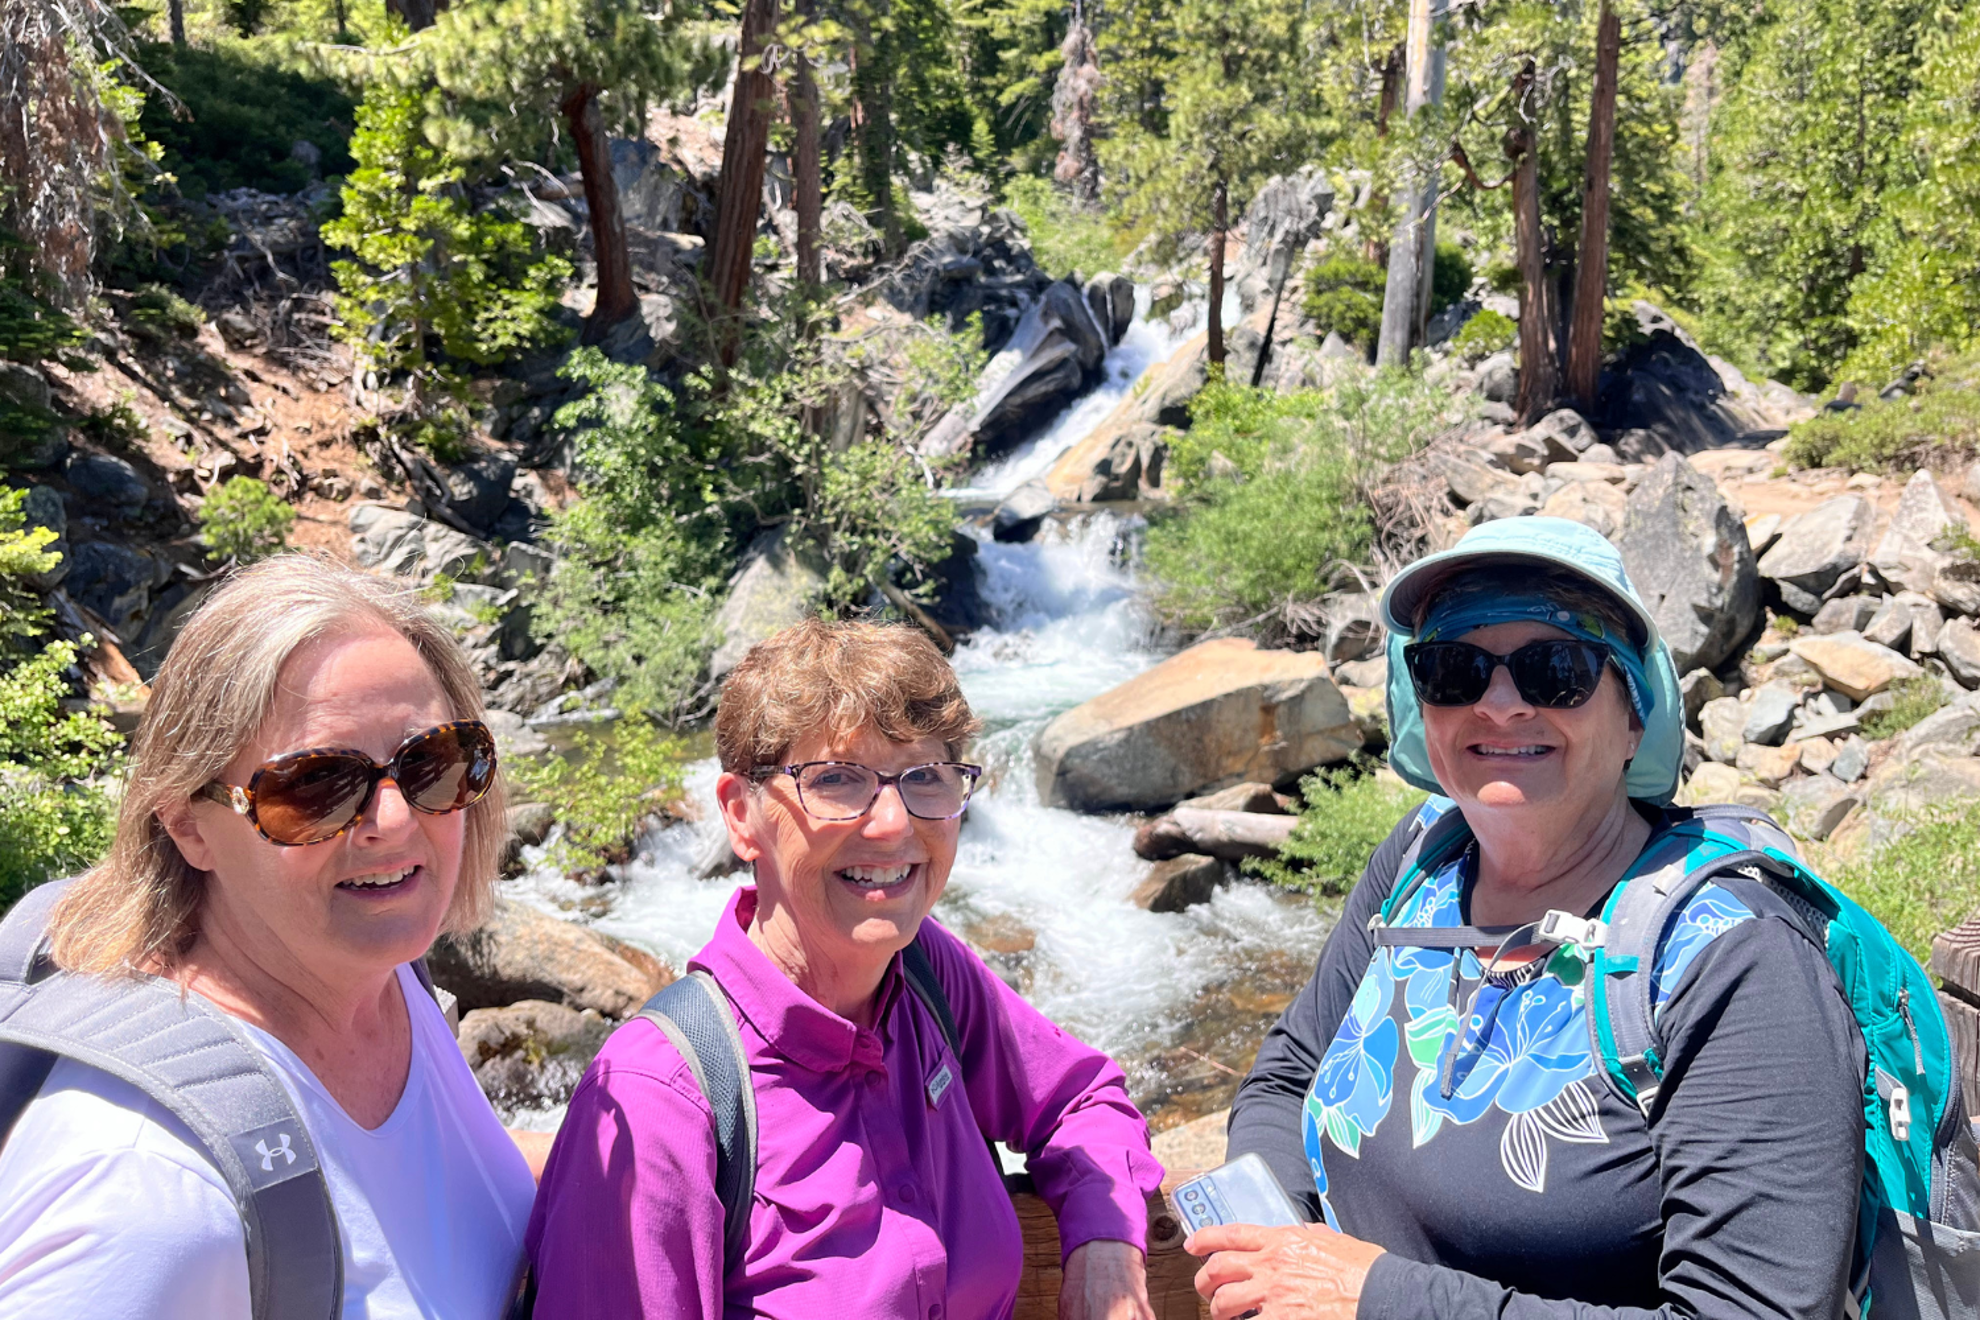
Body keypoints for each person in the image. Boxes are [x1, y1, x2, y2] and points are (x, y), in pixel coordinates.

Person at [1200, 516, 1891, 1319]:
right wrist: (1268, 1240)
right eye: (1453, 668)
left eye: (1552, 669)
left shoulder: (1733, 957)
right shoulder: (1423, 858)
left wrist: (1377, 1299)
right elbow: (1291, 1071)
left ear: (1633, 716)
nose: (1498, 704)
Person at [527, 617, 1164, 1319]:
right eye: (836, 779)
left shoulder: (924, 972)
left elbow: (1081, 1100)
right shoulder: (662, 1102)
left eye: (925, 776)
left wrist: (1106, 1244)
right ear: (742, 815)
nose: (893, 822)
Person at [0, 555, 538, 1317]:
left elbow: (427, 1191)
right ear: (187, 822)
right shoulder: (144, 1187)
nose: (394, 820)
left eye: (433, 762)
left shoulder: (386, 983)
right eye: (316, 786)